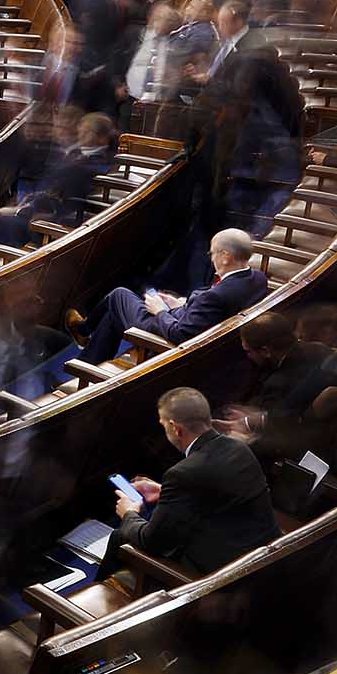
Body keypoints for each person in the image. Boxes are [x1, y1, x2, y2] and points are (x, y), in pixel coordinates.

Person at [113, 386, 278, 575]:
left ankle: (105, 590)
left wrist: (128, 513)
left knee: (122, 534)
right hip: (261, 557)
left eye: (164, 425)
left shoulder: (182, 473)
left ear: (176, 428)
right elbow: (219, 494)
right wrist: (163, 490)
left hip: (225, 574)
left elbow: (151, 541)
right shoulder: (239, 448)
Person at [75, 227, 270, 364]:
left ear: (226, 256)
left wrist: (160, 311)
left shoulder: (217, 296)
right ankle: (89, 359)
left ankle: (83, 330)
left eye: (213, 254)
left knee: (119, 295)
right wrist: (182, 303)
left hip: (167, 333)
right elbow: (211, 308)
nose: (211, 259)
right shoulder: (258, 278)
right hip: (189, 319)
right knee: (114, 313)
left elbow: (180, 334)